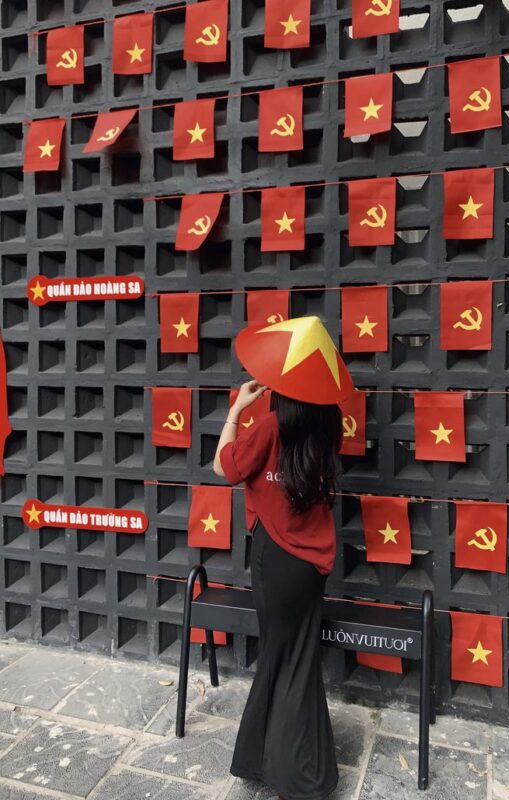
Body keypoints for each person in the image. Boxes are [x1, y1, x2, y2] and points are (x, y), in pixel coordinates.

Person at [212, 316, 354, 800]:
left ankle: (296, 778)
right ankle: (261, 758)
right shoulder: (328, 426)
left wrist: (237, 408)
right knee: (291, 654)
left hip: (274, 558)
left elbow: (224, 467)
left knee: (285, 657)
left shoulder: (270, 426)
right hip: (312, 563)